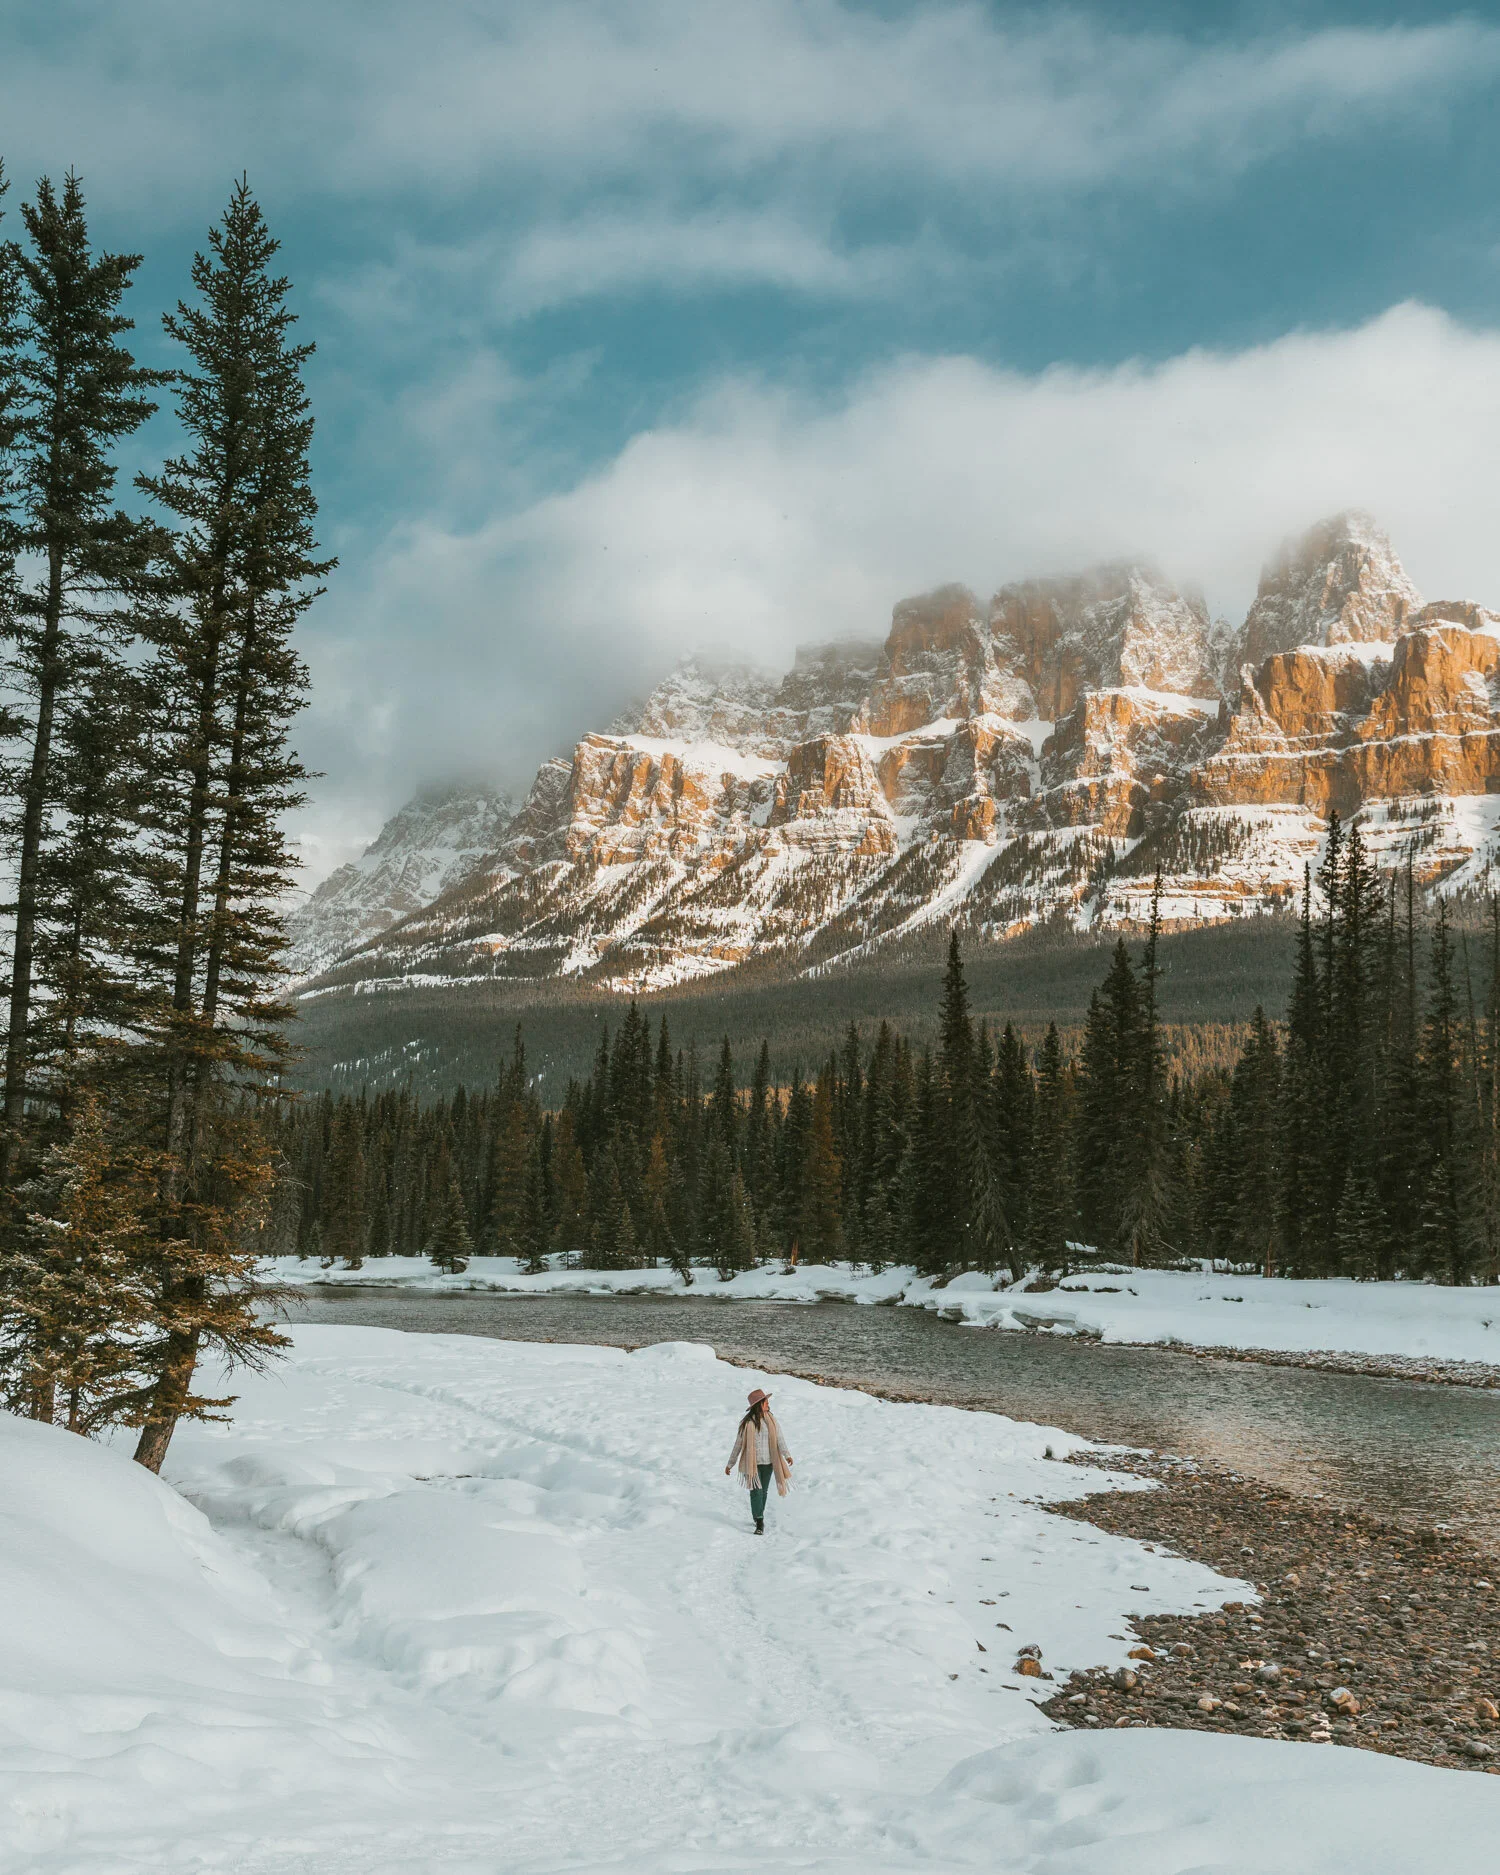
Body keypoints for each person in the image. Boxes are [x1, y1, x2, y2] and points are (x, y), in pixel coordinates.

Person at [724, 1387, 792, 1534]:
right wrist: (730, 1464)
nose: (768, 1404)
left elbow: (780, 1439)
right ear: (758, 1404)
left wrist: (787, 1455)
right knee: (756, 1492)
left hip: (769, 1463)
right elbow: (738, 1445)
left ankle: (757, 1515)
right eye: (766, 1402)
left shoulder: (772, 1421)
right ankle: (760, 1522)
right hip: (752, 1464)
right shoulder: (747, 1424)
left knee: (764, 1492)